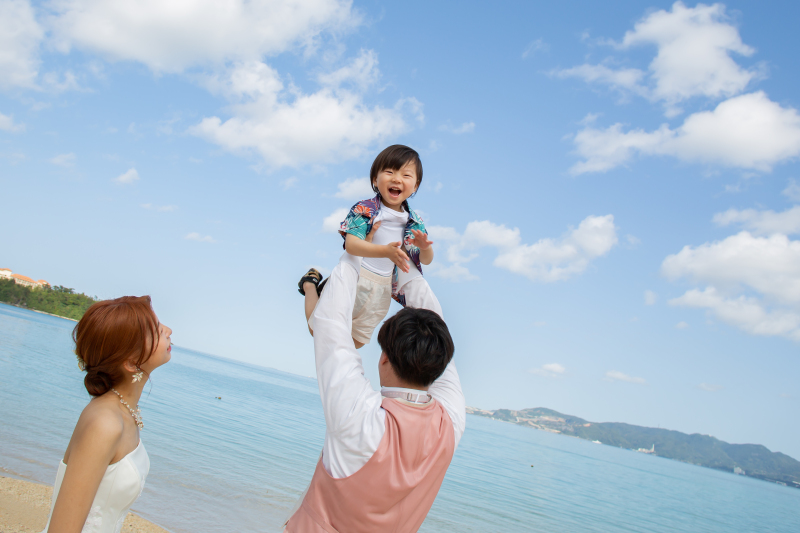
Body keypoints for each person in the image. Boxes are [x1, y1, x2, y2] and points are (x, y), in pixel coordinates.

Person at [285, 260, 466, 532]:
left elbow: (330, 323)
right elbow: (331, 327)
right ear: (440, 364)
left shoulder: (360, 419)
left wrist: (359, 253)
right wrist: (395, 265)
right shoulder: (451, 423)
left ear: (384, 359)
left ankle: (310, 285)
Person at [41, 296, 172, 533]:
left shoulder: (123, 411)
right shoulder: (105, 423)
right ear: (131, 362)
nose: (168, 330)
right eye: (156, 330)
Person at [299, 144, 434, 348]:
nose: (397, 179)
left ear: (415, 186)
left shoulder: (415, 222)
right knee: (320, 330)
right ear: (375, 179)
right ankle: (310, 284)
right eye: (389, 172)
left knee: (356, 341)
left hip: (382, 288)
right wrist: (385, 251)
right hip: (355, 276)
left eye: (406, 175)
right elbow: (351, 245)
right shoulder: (365, 209)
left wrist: (425, 247)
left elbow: (426, 260)